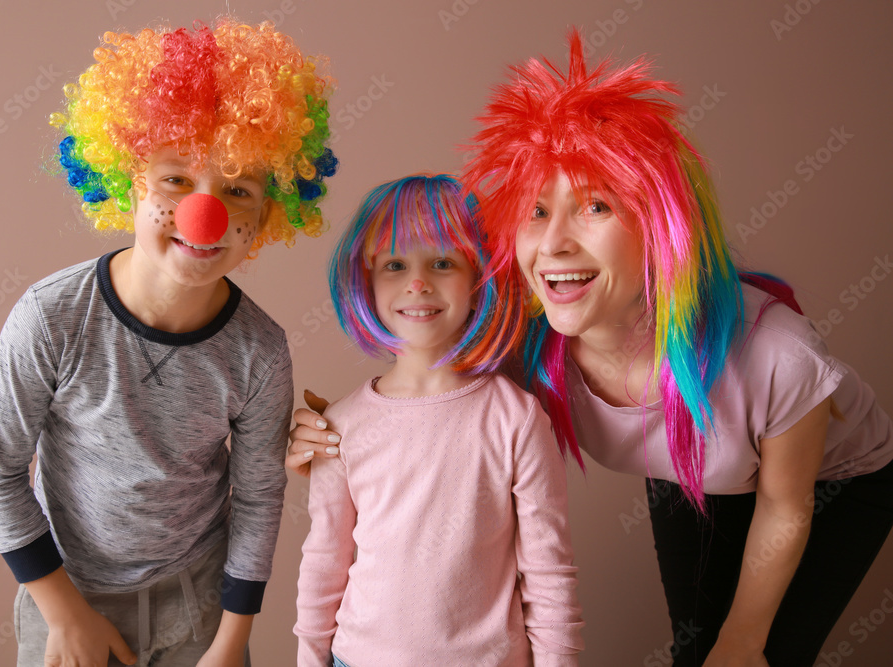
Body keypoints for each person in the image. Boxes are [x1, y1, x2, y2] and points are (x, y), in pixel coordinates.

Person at [288, 32, 893, 667]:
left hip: (830, 484)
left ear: (660, 227)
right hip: (692, 465)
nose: (554, 243)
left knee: (753, 653)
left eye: (595, 206)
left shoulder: (778, 358)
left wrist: (742, 642)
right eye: (536, 211)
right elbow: (422, 405)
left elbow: (785, 505)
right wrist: (327, 436)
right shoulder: (525, 343)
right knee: (695, 647)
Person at [0, 18, 336, 667]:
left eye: (237, 190)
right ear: (128, 181)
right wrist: (64, 614)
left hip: (200, 609)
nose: (204, 214)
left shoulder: (260, 349)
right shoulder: (51, 316)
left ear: (266, 217)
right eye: (175, 180)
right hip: (64, 597)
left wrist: (231, 642)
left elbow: (257, 498)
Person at [292, 174, 585, 666]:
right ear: (367, 281)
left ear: (479, 279)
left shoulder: (516, 419)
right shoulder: (339, 426)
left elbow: (548, 571)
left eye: (443, 263)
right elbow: (325, 561)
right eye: (395, 264)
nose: (418, 282)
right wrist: (308, 658)